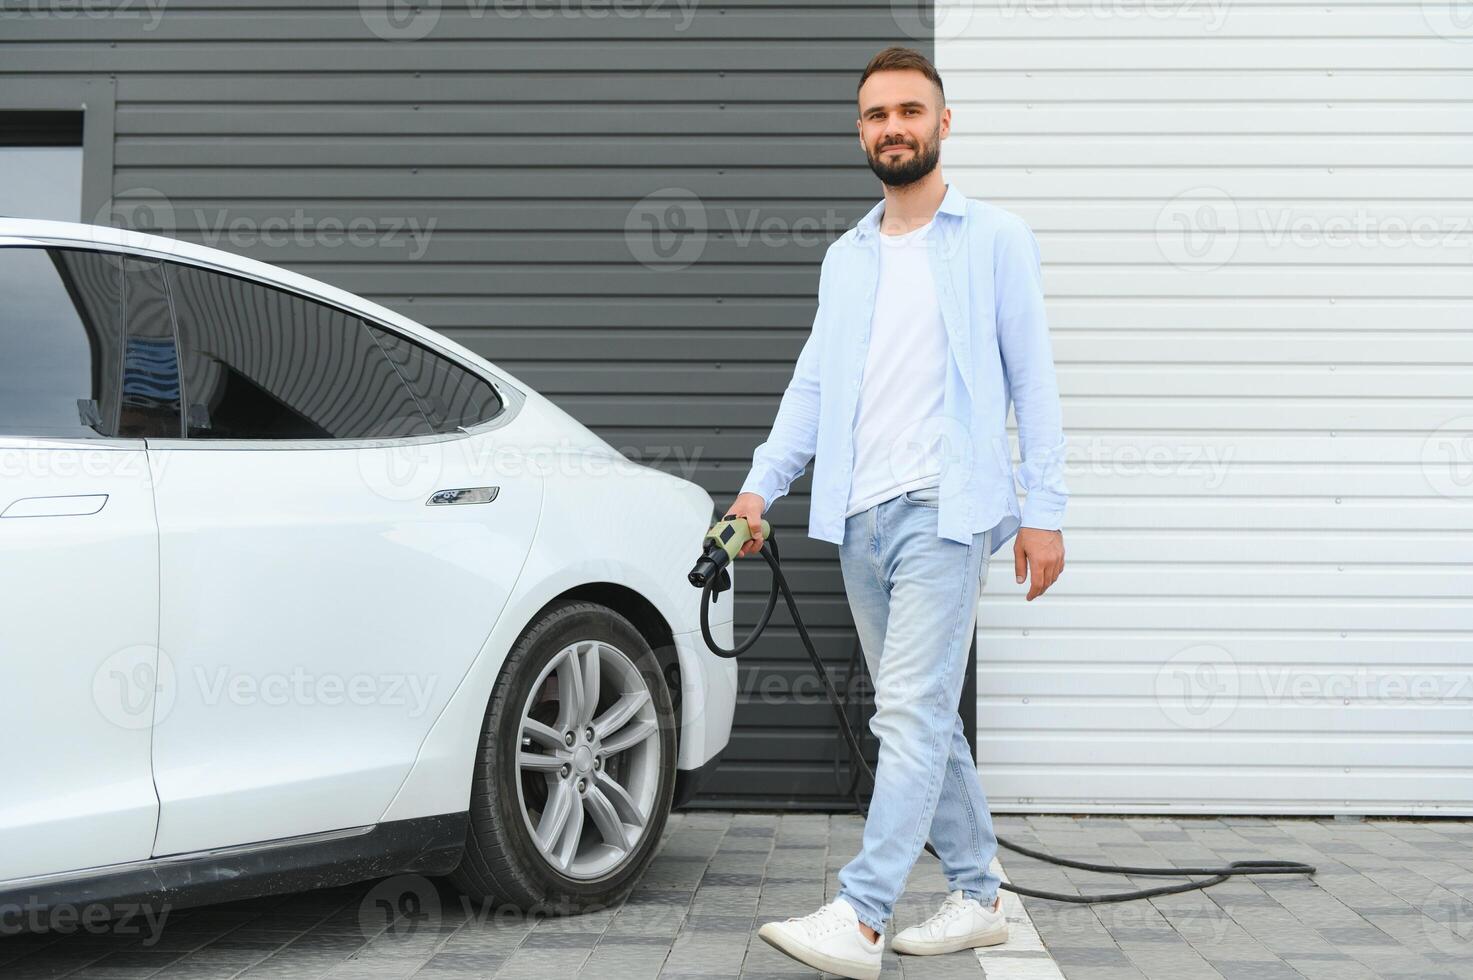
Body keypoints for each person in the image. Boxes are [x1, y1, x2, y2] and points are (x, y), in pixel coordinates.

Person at [724, 46, 1068, 980]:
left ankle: (864, 915)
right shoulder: (848, 255)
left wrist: (1046, 510)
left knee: (909, 714)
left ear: (942, 123)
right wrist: (762, 487)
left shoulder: (993, 238)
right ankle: (980, 894)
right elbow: (812, 385)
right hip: (858, 519)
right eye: (876, 115)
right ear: (862, 133)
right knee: (920, 717)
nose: (893, 128)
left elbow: (1033, 382)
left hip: (945, 514)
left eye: (910, 111)